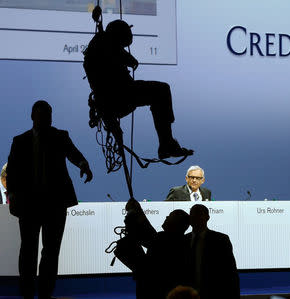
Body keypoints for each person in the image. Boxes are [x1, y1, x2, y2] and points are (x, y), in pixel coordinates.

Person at [6, 100, 93, 299]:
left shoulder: (60, 136)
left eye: (47, 114)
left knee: (50, 252)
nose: (45, 118)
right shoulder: (20, 141)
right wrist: (11, 195)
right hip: (30, 205)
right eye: (41, 114)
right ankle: (28, 294)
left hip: (54, 204)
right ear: (33, 116)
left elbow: (74, 154)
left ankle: (45, 294)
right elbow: (12, 171)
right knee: (29, 252)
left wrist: (83, 164)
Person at [83, 19, 193, 159]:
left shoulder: (100, 44)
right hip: (120, 95)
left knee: (160, 91)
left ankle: (167, 143)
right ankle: (167, 143)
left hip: (110, 102)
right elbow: (131, 61)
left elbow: (123, 58)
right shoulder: (106, 42)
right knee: (161, 90)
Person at [185, 204, 240, 299]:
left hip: (214, 294)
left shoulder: (221, 240)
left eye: (200, 214)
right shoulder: (183, 240)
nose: (196, 217)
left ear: (207, 217)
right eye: (193, 214)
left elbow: (230, 272)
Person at [135, 209, 191, 299]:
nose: (166, 217)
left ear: (176, 223)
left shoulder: (163, 239)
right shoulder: (182, 242)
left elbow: (146, 234)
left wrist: (136, 211)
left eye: (170, 216)